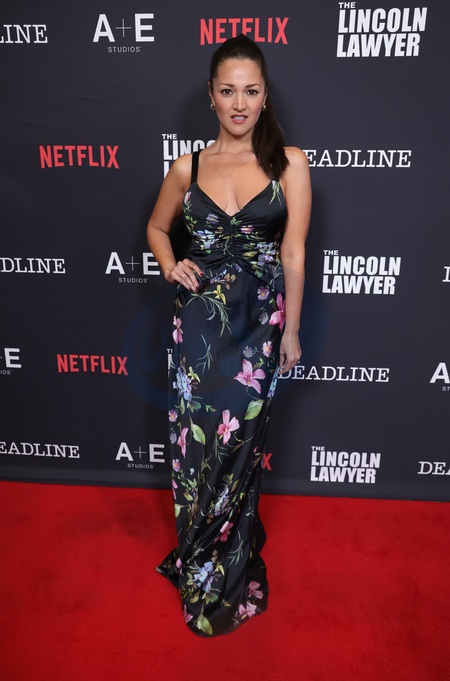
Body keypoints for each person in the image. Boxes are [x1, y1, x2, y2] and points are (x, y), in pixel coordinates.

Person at [147, 34, 311, 637]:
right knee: (197, 450)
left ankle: (228, 562)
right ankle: (199, 556)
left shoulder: (290, 163)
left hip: (260, 328)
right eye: (228, 91)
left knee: (240, 448)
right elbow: (156, 227)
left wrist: (292, 330)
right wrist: (171, 264)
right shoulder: (186, 167)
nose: (239, 103)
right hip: (197, 330)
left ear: (265, 97)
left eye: (250, 91)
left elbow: (293, 252)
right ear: (211, 97)